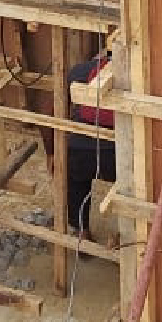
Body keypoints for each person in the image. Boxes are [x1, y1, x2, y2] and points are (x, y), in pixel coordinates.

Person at [66, 52, 116, 240]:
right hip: (119, 157)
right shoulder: (140, 76)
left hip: (81, 152)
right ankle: (127, 238)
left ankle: (81, 231)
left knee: (75, 181)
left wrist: (52, 153)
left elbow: (55, 109)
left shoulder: (80, 71)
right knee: (133, 191)